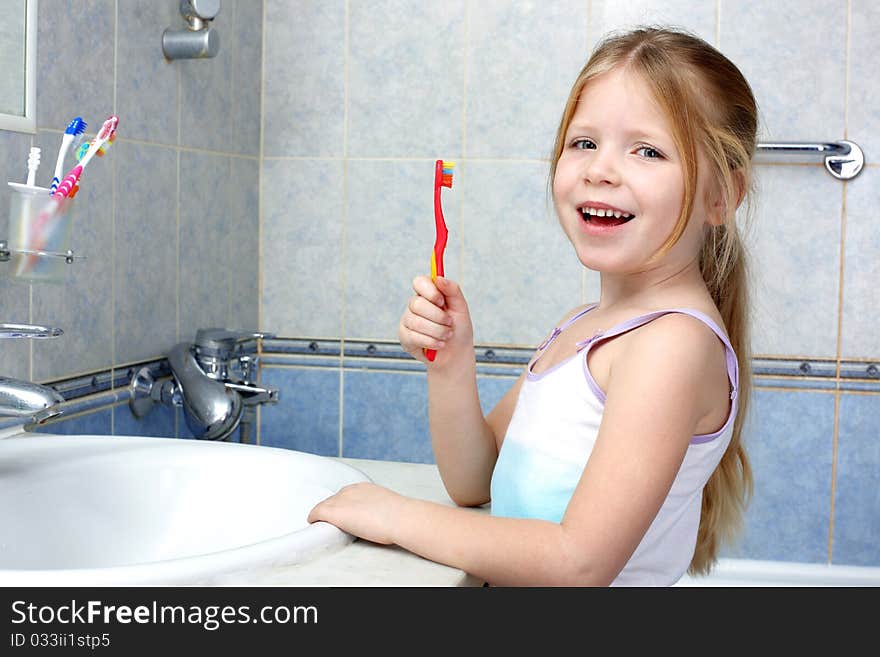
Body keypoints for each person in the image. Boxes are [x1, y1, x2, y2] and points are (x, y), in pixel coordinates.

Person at [309, 26, 756, 586]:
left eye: (647, 150)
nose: (600, 169)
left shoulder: (672, 346)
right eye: (584, 142)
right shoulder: (584, 327)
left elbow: (578, 565)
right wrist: (451, 363)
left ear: (722, 196)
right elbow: (475, 479)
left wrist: (395, 514)